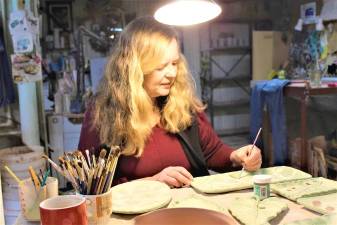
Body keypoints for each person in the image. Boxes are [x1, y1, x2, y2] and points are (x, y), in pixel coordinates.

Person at [78, 16, 262, 188]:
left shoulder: (179, 103)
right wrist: (152, 183)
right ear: (134, 68)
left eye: (174, 63)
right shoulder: (103, 114)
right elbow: (90, 186)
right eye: (160, 66)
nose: (172, 73)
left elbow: (212, 152)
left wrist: (236, 156)